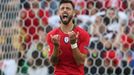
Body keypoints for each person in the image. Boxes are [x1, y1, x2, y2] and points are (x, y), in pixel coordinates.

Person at [46, 0, 90, 75]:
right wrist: (56, 47)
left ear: (74, 13)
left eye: (68, 8)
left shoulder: (83, 34)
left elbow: (80, 61)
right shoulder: (52, 35)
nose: (65, 10)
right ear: (58, 13)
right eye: (62, 8)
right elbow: (53, 63)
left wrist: (73, 44)